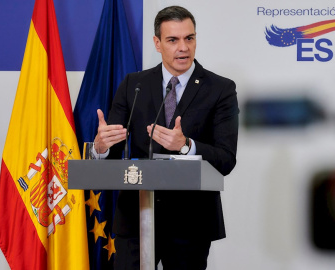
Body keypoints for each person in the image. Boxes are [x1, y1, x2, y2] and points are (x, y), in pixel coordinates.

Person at [93, 5, 239, 269]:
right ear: (157, 43)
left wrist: (186, 146)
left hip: (191, 224)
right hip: (135, 219)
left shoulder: (221, 89)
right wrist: (101, 146)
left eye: (189, 38)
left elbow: (226, 159)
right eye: (173, 40)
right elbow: (112, 154)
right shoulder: (133, 85)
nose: (183, 47)